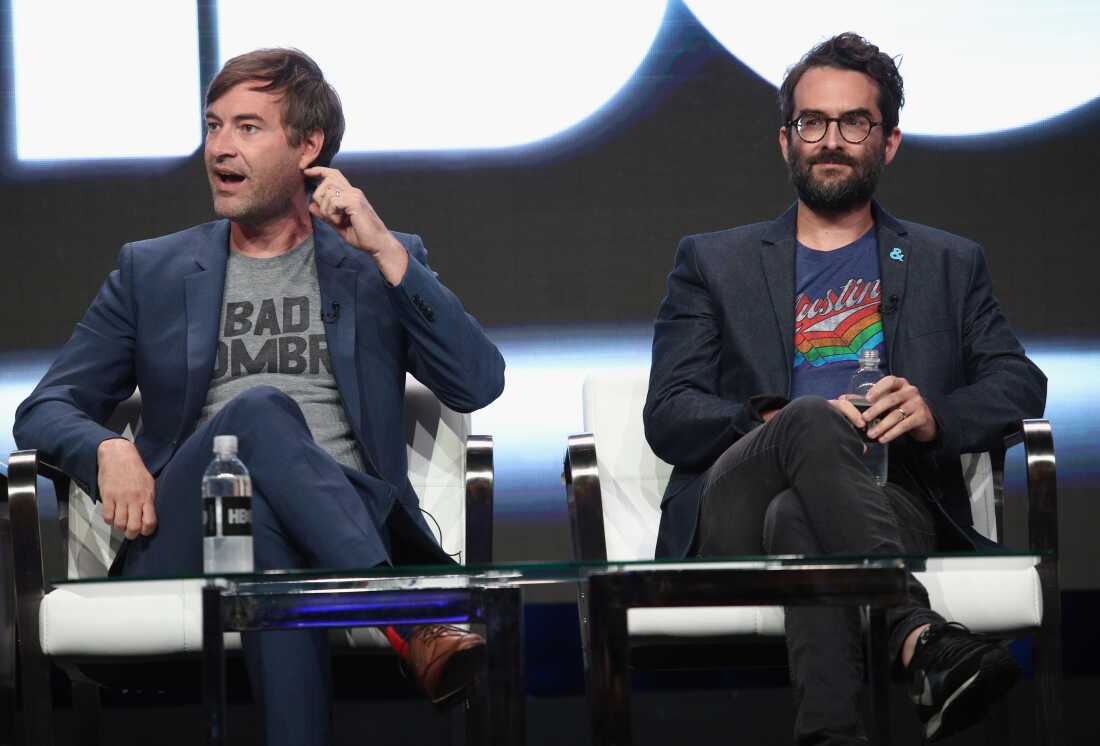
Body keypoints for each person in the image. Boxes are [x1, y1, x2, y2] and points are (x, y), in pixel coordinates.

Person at [14, 48, 505, 746]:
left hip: (327, 521)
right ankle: (410, 618)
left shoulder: (372, 263)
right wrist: (102, 450)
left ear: (309, 147)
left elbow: (477, 382)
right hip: (184, 533)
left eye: (247, 128)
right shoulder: (151, 269)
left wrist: (389, 254)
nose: (219, 148)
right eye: (213, 126)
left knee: (274, 540)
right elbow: (43, 409)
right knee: (257, 412)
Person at [643, 32, 1046, 745]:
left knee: (804, 519)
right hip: (739, 502)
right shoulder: (713, 261)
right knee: (805, 425)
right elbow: (670, 414)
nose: (831, 139)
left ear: (887, 142)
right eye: (812, 122)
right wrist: (776, 417)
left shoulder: (948, 263)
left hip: (890, 500)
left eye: (854, 122)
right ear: (786, 139)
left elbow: (1020, 384)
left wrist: (933, 413)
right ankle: (921, 634)